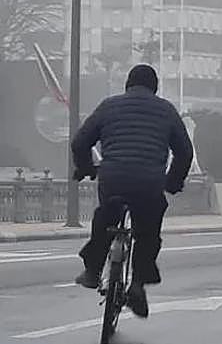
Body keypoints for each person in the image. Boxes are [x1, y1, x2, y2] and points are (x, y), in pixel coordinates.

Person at [72, 64, 193, 318]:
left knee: (105, 216)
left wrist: (86, 167)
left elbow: (80, 141)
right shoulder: (166, 110)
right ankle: (138, 283)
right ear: (155, 87)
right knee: (148, 232)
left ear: (127, 84)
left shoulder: (109, 106)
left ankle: (93, 270)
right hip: (149, 183)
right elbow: (184, 152)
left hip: (113, 178)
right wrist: (173, 181)